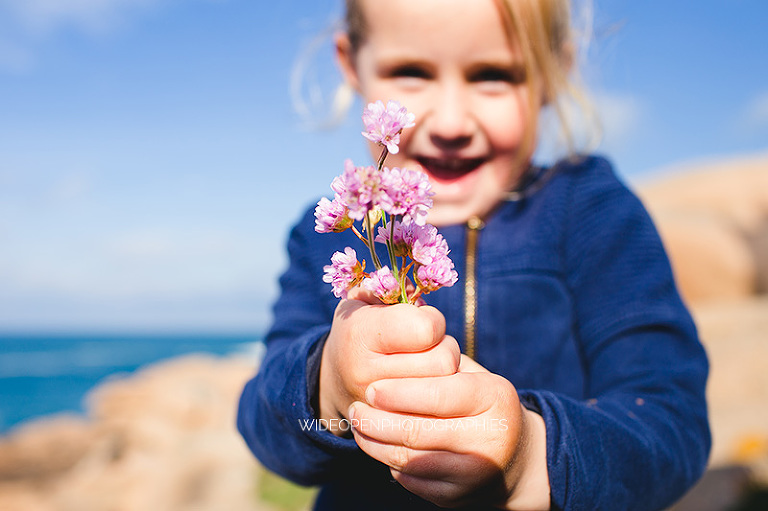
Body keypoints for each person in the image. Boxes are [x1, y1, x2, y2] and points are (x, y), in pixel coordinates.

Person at [237, 0, 711, 509]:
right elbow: (263, 423)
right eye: (411, 72)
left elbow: (671, 423)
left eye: (493, 75)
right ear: (351, 65)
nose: (450, 123)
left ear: (554, 72)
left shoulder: (591, 209)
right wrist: (327, 389)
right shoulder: (327, 237)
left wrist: (531, 458)